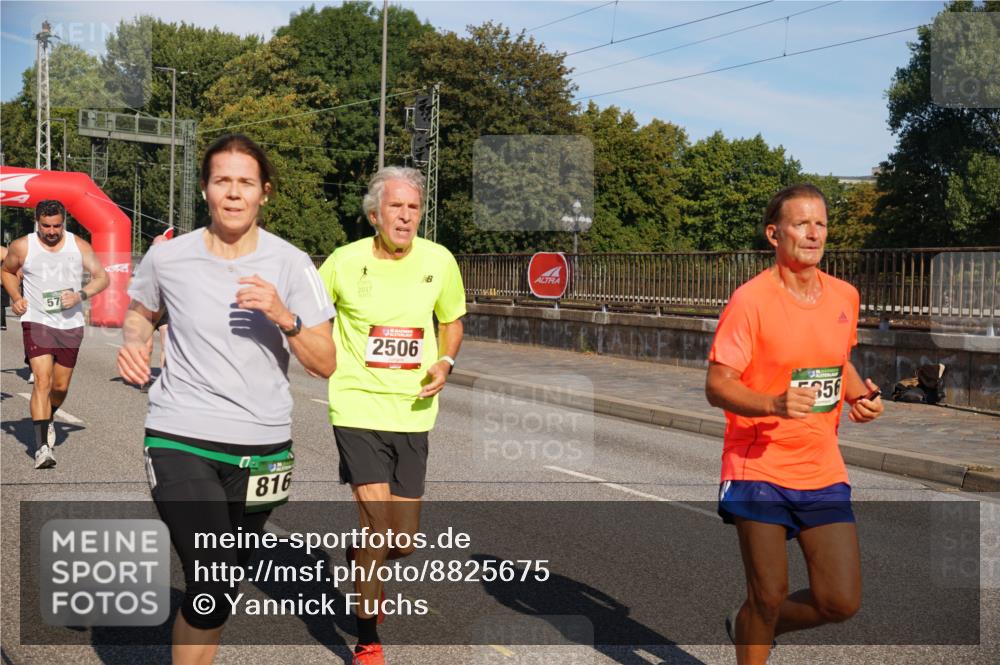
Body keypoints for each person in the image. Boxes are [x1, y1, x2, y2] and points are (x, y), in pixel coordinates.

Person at [116, 134, 336, 665]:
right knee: (213, 578)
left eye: (245, 183)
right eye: (222, 181)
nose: (233, 194)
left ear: (265, 192)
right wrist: (134, 341)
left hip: (263, 448)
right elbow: (141, 312)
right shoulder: (169, 257)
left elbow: (325, 362)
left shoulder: (292, 263)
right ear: (206, 190)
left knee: (217, 594)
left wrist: (286, 317)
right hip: (180, 434)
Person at [705, 184, 884, 665]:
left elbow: (837, 362)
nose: (813, 233)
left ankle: (752, 627)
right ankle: (757, 624)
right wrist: (773, 404)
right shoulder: (751, 301)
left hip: (820, 466)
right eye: (801, 223)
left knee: (839, 600)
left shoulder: (845, 296)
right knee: (768, 592)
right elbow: (718, 384)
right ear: (774, 233)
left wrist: (861, 396)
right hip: (757, 465)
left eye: (821, 223)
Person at [318, 166, 466, 665]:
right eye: (397, 207)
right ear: (375, 214)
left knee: (401, 541)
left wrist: (445, 360)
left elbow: (452, 320)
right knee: (378, 526)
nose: (406, 217)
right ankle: (367, 641)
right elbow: (314, 316)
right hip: (356, 404)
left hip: (415, 411)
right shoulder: (343, 262)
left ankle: (364, 560)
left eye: (414, 207)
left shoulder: (440, 261)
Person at [2, 200, 109, 469]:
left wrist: (81, 295)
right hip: (37, 321)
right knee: (42, 381)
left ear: (64, 222)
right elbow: (7, 271)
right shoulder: (23, 246)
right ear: (37, 221)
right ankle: (41, 448)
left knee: (59, 387)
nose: (52, 231)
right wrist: (16, 296)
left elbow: (102, 277)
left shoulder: (79, 246)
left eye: (57, 226)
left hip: (70, 324)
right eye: (46, 226)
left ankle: (48, 415)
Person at [140, 232, 173, 393]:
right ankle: (145, 379)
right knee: (148, 346)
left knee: (167, 345)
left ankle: (165, 382)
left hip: (165, 310)